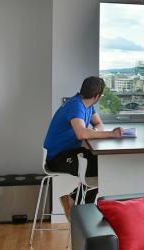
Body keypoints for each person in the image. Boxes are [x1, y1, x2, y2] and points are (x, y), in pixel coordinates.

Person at [42, 76, 122, 219]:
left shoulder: (87, 105)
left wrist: (94, 132)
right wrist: (111, 134)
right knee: (101, 167)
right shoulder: (76, 105)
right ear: (97, 96)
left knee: (102, 163)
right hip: (57, 158)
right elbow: (81, 133)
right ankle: (81, 208)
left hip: (69, 153)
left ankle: (78, 204)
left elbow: (98, 123)